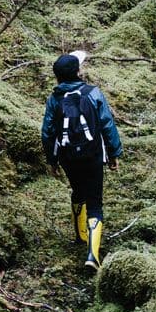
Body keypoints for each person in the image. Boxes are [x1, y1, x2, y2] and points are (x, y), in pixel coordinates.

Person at [41, 51, 122, 269]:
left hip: (68, 157)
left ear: (57, 76)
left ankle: (80, 236)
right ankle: (92, 256)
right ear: (78, 71)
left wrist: (52, 160)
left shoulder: (54, 99)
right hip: (93, 154)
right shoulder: (93, 93)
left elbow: (47, 132)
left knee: (77, 191)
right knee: (95, 202)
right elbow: (107, 124)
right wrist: (114, 153)